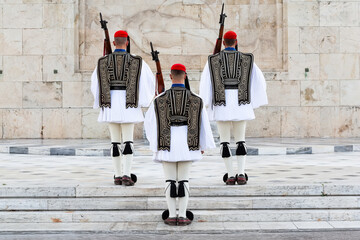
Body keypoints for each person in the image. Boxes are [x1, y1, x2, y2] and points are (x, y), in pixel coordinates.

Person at [144, 64, 215, 226]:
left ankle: (170, 215)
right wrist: (202, 145)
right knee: (183, 180)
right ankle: (182, 215)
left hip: (166, 143)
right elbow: (203, 124)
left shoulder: (158, 99)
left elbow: (149, 124)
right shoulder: (197, 99)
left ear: (170, 76)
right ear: (185, 75)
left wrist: (155, 143)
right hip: (187, 144)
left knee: (169, 180)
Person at [199, 31, 268, 185]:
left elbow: (205, 83)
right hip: (240, 104)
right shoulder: (248, 59)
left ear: (223, 43)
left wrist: (207, 103)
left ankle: (230, 175)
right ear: (236, 42)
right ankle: (241, 173)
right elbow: (259, 81)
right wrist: (252, 101)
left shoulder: (212, 60)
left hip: (221, 104)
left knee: (224, 142)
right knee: (241, 141)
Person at [91, 30, 155, 186]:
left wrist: (101, 102)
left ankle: (117, 175)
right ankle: (126, 174)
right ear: (127, 42)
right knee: (128, 141)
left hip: (110, 104)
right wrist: (143, 101)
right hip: (129, 104)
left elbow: (95, 84)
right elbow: (148, 83)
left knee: (114, 142)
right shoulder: (138, 61)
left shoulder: (102, 62)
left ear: (114, 43)